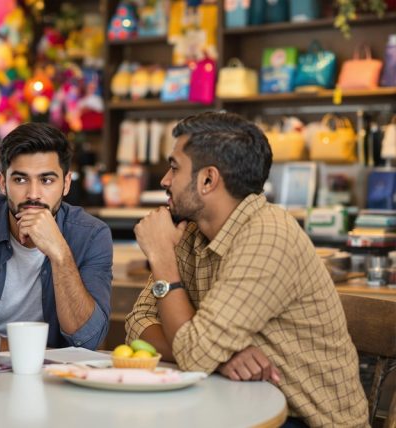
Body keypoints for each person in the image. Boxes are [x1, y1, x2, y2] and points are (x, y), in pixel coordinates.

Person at [125, 112, 368, 427]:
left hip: (306, 421)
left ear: (208, 180)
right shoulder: (191, 231)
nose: (165, 181)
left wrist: (161, 258)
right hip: (233, 404)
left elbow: (194, 354)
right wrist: (221, 357)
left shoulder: (268, 236)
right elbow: (137, 325)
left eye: (174, 167)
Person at [0, 122, 113, 355]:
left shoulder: (92, 234)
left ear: (66, 184)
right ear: (3, 183)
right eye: (20, 180)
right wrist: (32, 355)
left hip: (50, 380)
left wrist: (59, 253)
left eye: (46, 180)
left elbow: (88, 338)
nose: (33, 194)